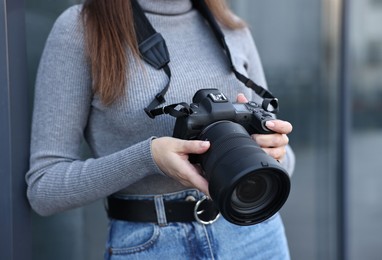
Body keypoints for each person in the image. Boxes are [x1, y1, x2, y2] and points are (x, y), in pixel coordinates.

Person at [26, 0, 295, 259]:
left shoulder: (232, 26)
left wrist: (276, 151)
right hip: (150, 244)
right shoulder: (81, 27)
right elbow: (43, 188)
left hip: (255, 233)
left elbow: (285, 162)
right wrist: (148, 157)